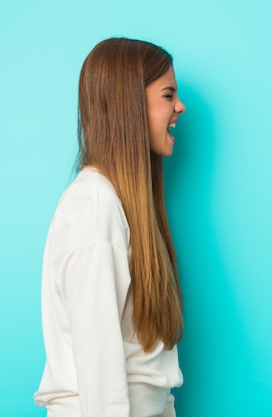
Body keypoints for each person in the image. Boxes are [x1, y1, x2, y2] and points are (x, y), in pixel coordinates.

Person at [34, 38, 186, 417]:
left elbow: (152, 368)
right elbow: (99, 363)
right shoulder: (95, 206)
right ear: (129, 104)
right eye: (168, 95)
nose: (179, 107)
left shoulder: (121, 203)